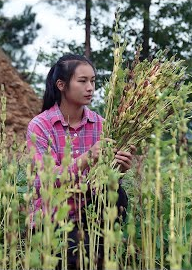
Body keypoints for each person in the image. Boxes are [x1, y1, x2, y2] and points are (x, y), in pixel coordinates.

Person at [26, 54, 135, 269]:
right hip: (55, 215)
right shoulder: (40, 126)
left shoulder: (101, 125)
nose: (90, 88)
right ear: (61, 85)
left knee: (117, 193)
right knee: (77, 255)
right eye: (82, 81)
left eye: (93, 81)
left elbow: (106, 182)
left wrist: (119, 169)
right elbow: (46, 179)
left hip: (92, 212)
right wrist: (85, 159)